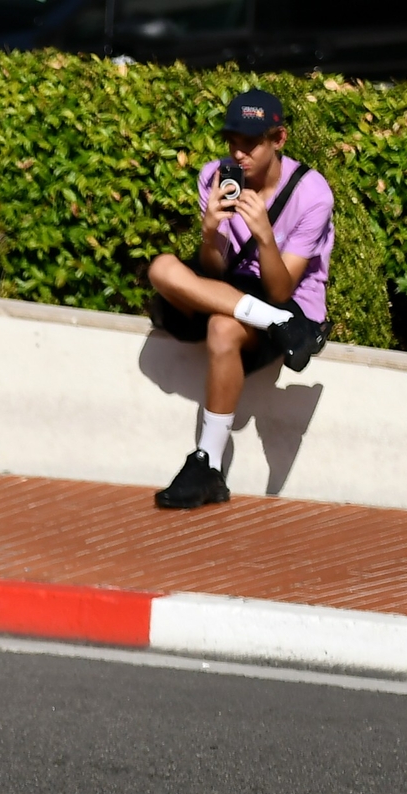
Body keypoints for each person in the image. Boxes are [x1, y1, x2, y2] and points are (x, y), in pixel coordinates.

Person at [143, 89, 334, 511]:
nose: (239, 153)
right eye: (233, 141)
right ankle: (282, 328)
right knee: (160, 268)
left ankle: (207, 462)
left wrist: (264, 234)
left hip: (283, 300)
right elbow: (214, 270)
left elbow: (283, 290)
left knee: (223, 326)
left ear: (279, 139)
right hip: (234, 293)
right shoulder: (216, 175)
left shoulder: (312, 193)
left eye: (251, 143)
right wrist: (211, 231)